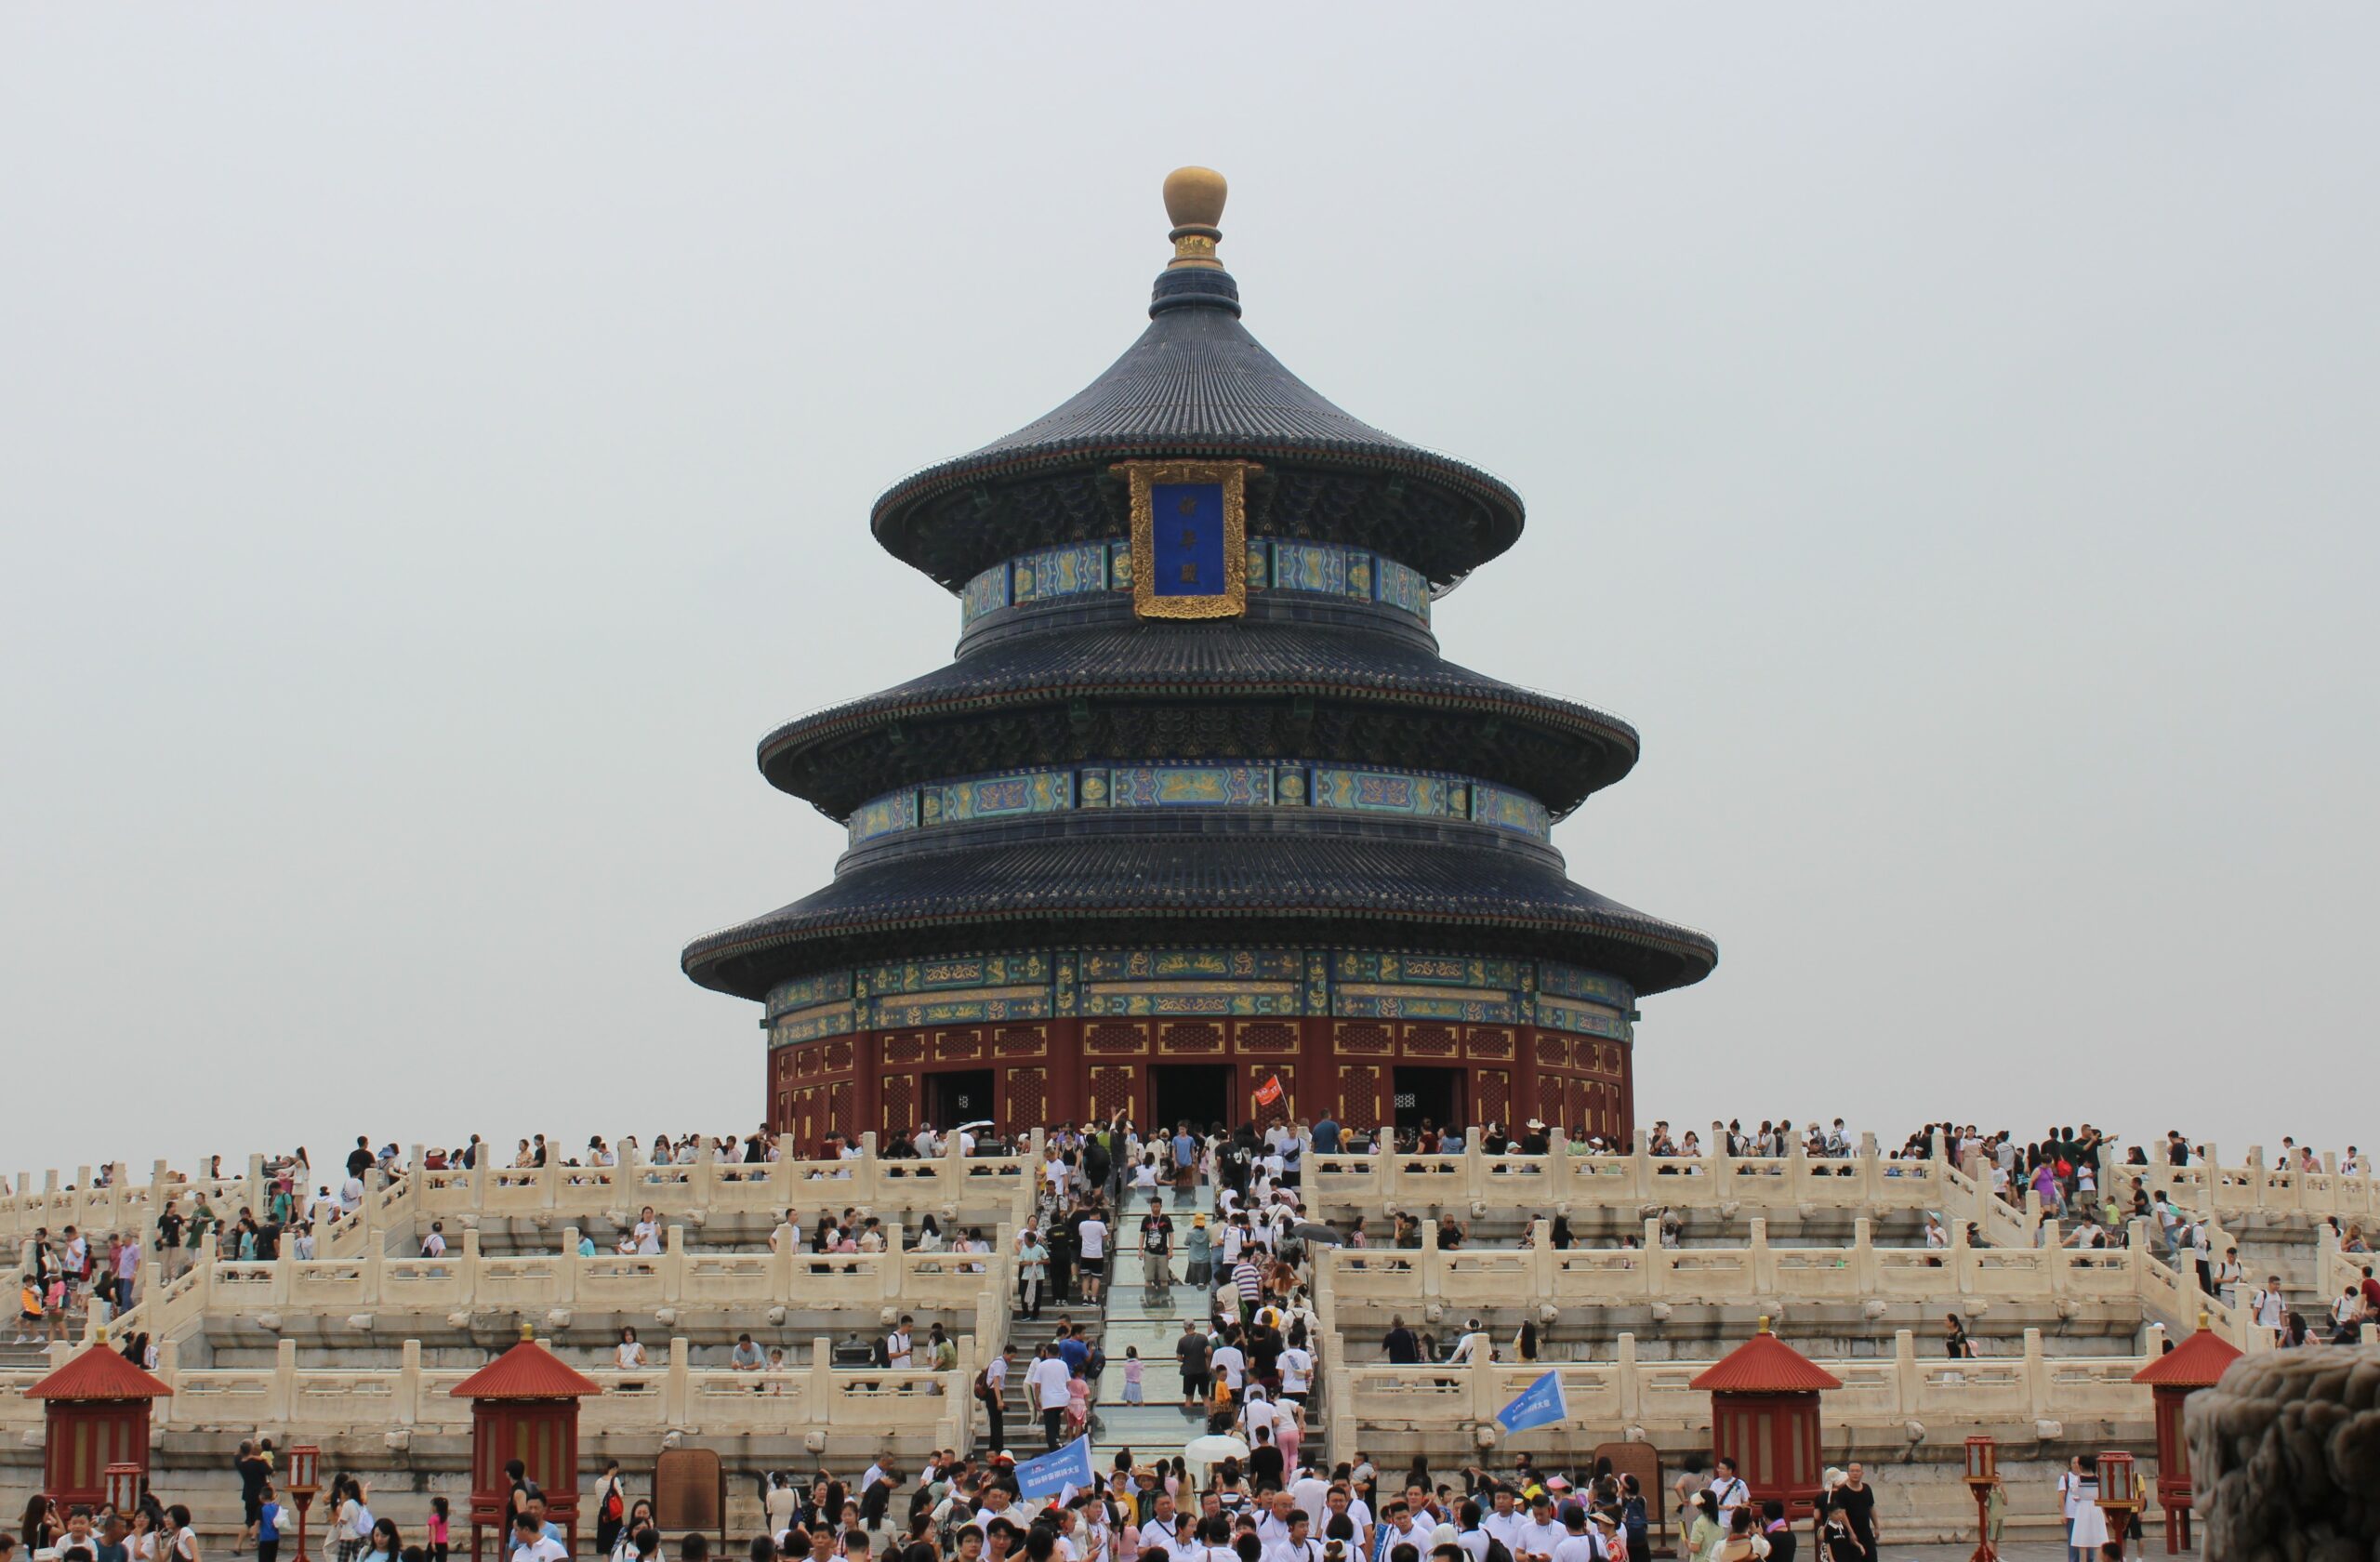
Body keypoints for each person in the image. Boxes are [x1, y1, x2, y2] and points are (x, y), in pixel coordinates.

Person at [594, 1463, 628, 1559]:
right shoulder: (615, 1480)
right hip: (614, 1515)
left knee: (605, 1548)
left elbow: (598, 1498)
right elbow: (620, 1496)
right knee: (616, 1542)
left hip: (603, 1514)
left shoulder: (598, 1481)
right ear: (614, 1468)